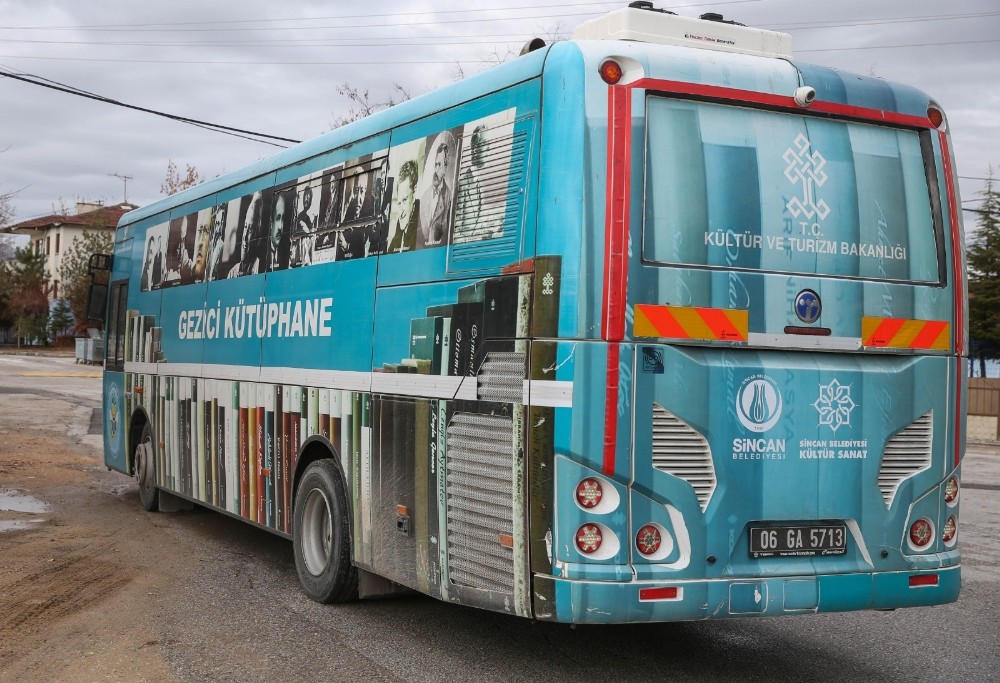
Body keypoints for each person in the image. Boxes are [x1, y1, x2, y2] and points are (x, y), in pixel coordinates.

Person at [420, 137, 454, 247]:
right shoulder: (425, 196)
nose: (436, 169)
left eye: (439, 165)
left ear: (445, 167)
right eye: (435, 164)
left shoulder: (449, 196)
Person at [228, 191, 264, 278]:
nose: (245, 236)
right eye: (245, 227)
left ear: (257, 235)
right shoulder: (232, 273)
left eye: (250, 229)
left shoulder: (260, 268)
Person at [387, 160, 419, 253]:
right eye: (399, 203)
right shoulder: (401, 223)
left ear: (414, 192)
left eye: (404, 200)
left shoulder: (421, 222)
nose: (400, 213)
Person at [268, 191, 290, 271]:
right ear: (271, 222)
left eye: (283, 219)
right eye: (278, 218)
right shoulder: (260, 258)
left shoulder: (286, 255)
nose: (280, 227)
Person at [206, 203, 228, 281]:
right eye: (217, 224)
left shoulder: (223, 245)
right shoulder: (210, 244)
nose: (218, 228)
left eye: (220, 224)